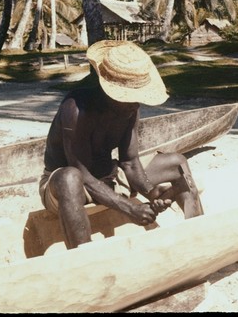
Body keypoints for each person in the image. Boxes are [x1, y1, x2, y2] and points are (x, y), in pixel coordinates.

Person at [39, 40, 204, 249]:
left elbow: (130, 163)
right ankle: (85, 257)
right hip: (69, 189)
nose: (136, 103)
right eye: (129, 97)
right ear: (108, 91)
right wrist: (129, 208)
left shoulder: (129, 110)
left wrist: (151, 191)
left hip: (110, 179)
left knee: (176, 161)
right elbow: (82, 174)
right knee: (70, 177)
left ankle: (198, 233)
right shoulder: (76, 109)